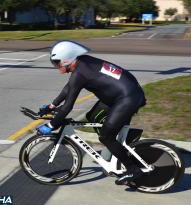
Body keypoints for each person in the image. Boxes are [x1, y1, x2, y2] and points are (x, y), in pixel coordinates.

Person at [36, 40, 146, 185]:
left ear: (66, 58)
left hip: (127, 98)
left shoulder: (80, 73)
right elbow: (69, 87)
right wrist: (52, 105)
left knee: (106, 137)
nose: (55, 66)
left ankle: (132, 169)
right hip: (124, 93)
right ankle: (117, 147)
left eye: (56, 62)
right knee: (92, 117)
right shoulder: (83, 63)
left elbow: (67, 107)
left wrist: (50, 126)